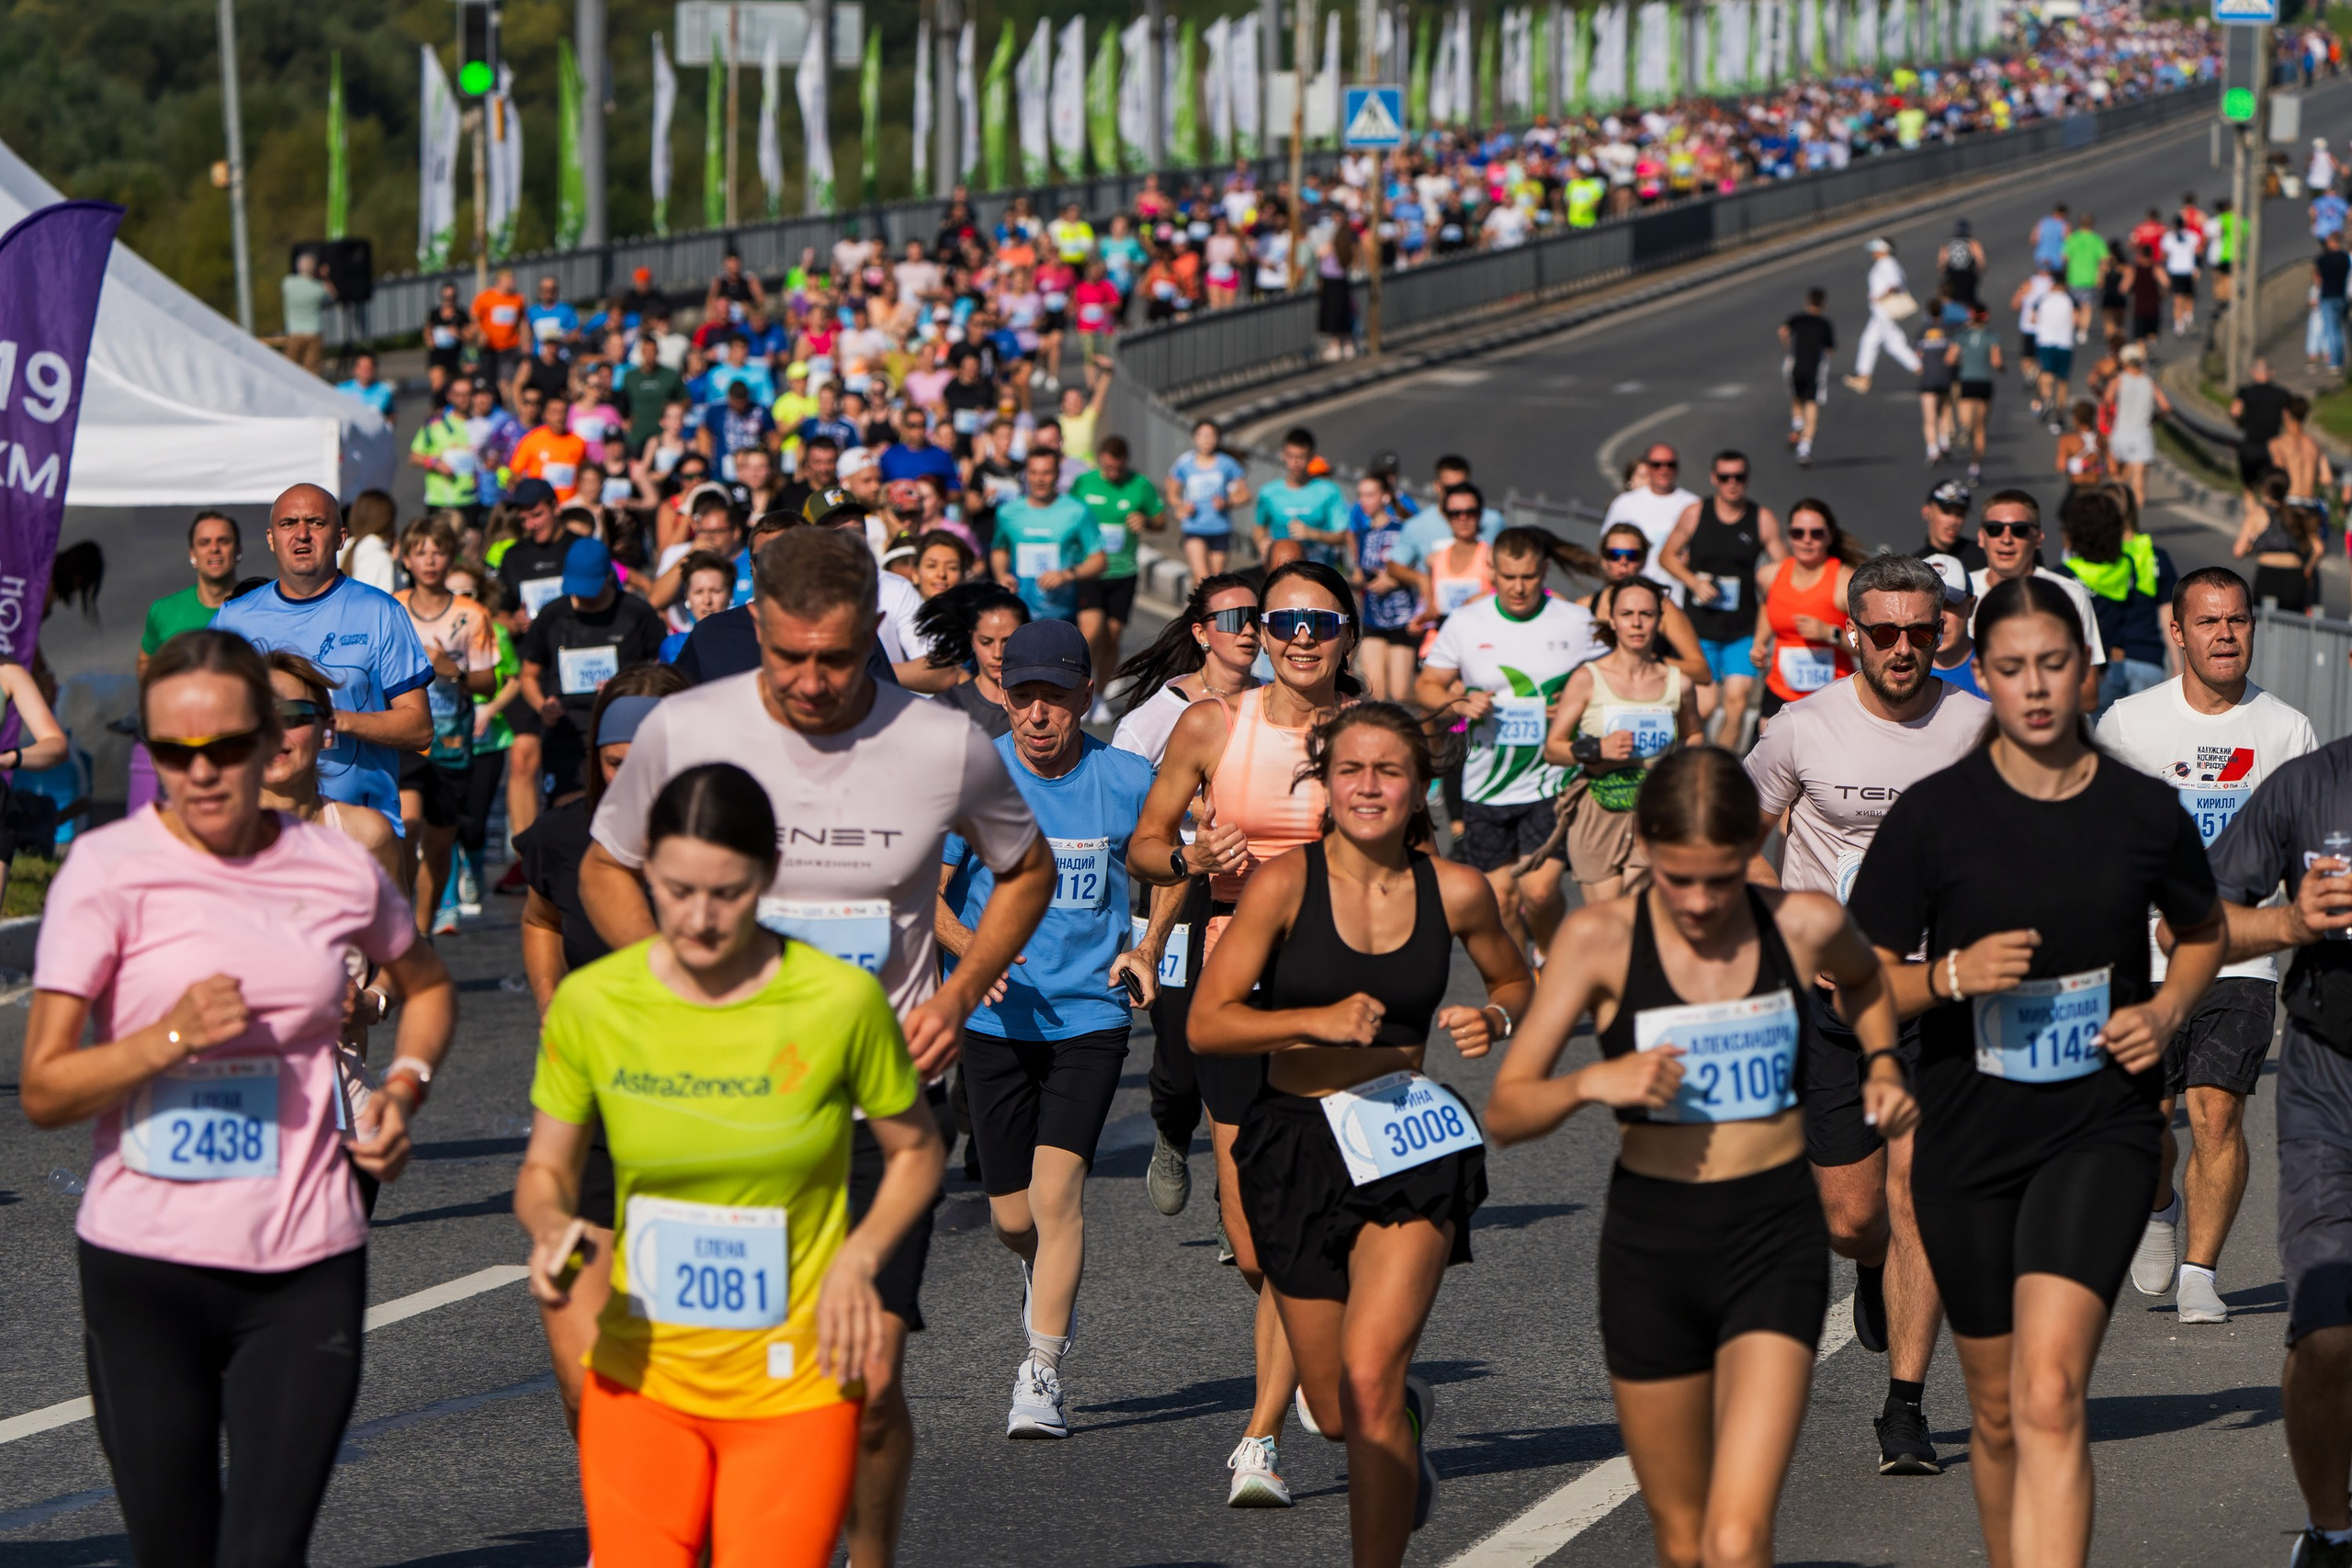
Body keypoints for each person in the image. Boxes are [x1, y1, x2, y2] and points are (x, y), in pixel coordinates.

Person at [582, 526, 1052, 1568]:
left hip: (875, 1103)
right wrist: (667, 989)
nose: (810, 681)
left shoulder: (939, 743)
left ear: (871, 632)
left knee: (869, 1381)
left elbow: (1027, 870)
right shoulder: (688, 728)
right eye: (788, 656)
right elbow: (606, 868)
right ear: (756, 625)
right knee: (712, 1363)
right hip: (716, 1096)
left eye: (837, 658)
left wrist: (959, 991)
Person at [17, 628, 456, 1568]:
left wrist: (403, 1089)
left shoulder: (336, 864)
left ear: (268, 741)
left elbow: (426, 985)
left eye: (225, 745)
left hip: (304, 1259)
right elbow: (46, 1088)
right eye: (175, 752)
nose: (203, 771)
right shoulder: (107, 870)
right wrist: (167, 1039)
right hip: (145, 1267)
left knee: (264, 1553)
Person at [1845, 574, 2225, 1568]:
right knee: (1999, 1409)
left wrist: (2166, 1009)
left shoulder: (2141, 809)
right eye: (2011, 668)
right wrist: (1949, 977)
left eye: (2053, 664)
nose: (2036, 686)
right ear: (1982, 673)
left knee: (2050, 1392)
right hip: (1968, 1130)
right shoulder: (1935, 815)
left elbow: (2202, 932)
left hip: (2097, 1125)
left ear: (2084, 674)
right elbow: (1864, 980)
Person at [1487, 747, 1912, 1568]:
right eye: (1679, 878)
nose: (1701, 901)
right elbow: (1508, 1110)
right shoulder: (1598, 938)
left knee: (1737, 1536)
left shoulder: (1801, 923)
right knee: (1683, 1540)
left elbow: (1864, 981)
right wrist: (1595, 1080)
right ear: (1646, 845)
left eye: (1721, 878)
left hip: (1772, 1237)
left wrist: (1885, 1063)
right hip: (1654, 1243)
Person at [518, 762, 942, 1568]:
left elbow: (917, 1149)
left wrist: (859, 1257)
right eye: (678, 891)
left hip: (794, 1386)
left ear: (769, 875)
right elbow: (544, 1170)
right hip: (641, 1378)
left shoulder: (838, 1000)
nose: (701, 918)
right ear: (646, 871)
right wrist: (548, 1225)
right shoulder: (595, 1003)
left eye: (728, 892)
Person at [1190, 705, 1533, 1562]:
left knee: (1370, 1377)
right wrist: (1313, 1020)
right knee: (1340, 1409)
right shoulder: (1284, 885)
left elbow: (1515, 979)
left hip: (1404, 1137)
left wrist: (1494, 1016)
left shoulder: (1455, 889)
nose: (1369, 786)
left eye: (1389, 771)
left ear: (1419, 788)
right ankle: (1403, 1418)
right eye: (1351, 769)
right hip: (1295, 1139)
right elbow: (1209, 1021)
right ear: (1325, 782)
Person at [1744, 553, 1989, 1476]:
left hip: (1936, 994)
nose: (1902, 647)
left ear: (1941, 631)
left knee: (1918, 1192)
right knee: (1852, 1217)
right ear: (1852, 635)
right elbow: (1738, 841)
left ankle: (1905, 1406)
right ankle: (1869, 1266)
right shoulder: (1801, 727)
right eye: (1883, 632)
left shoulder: (1975, 727)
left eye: (1920, 631)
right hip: (1834, 999)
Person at [1128, 560, 1362, 1508]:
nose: (1302, 637)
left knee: (1297, 1222)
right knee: (1256, 1245)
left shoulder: (1370, 733)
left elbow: (1421, 857)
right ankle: (1310, 1347)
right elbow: (1145, 846)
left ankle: (1258, 1439)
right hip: (1232, 985)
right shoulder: (1212, 725)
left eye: (1321, 622)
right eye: (1284, 621)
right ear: (1261, 633)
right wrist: (1191, 854)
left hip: (1336, 993)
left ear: (1347, 635)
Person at [935, 619, 1158, 1438]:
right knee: (1012, 1218)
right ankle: (1042, 1278)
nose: (1037, 713)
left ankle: (1041, 1369)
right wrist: (972, 949)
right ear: (1003, 695)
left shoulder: (1126, 778)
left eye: (1054, 698)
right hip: (996, 1017)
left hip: (1090, 1015)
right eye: (1023, 694)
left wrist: (1148, 944)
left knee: (1058, 1195)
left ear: (1085, 697)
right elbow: (925, 892)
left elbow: (1171, 865)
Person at [2095, 567, 2315, 1327]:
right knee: (2146, 1119)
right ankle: (2157, 1201)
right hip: (2144, 956)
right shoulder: (2129, 724)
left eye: (2238, 620)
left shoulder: (2285, 729)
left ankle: (2200, 1271)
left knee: (2218, 1113)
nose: (2226, 633)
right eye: (2209, 621)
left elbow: (2309, 845)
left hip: (2238, 950)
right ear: (2178, 633)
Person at [514, 665, 689, 1433]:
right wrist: (551, 998)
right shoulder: (563, 835)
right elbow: (540, 916)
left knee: (680, 1360)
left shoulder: (730, 844)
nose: (633, 780)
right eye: (617, 763)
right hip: (595, 1106)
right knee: (585, 1371)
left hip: (706, 1115)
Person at [1109, 574, 1262, 1215]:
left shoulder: (1276, 701)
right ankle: (1172, 1129)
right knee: (1177, 1048)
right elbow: (1121, 810)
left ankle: (1239, 1204)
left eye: (1255, 617)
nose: (1247, 630)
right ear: (1201, 633)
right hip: (1176, 889)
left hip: (1254, 886)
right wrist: (1187, 811)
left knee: (1252, 1042)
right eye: (1231, 620)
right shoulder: (1160, 713)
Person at [1415, 527, 1601, 959]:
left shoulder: (1576, 622)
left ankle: (1549, 958)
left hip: (1552, 780)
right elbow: (1426, 685)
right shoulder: (1466, 622)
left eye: (1529, 577)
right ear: (1492, 571)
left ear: (1545, 571)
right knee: (1499, 901)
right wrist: (1460, 702)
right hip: (1487, 783)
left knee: (1539, 892)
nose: (1518, 588)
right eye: (1509, 577)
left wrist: (1575, 702)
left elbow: (1610, 680)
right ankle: (1523, 983)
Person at [211, 485, 434, 831]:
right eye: (288, 524)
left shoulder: (380, 612)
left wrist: (331, 720)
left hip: (360, 830)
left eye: (316, 523)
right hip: (262, 827)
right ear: (271, 539)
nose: (302, 534)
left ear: (341, 537)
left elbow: (419, 728)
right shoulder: (233, 618)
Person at [1545, 577, 1699, 904]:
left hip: (1654, 811)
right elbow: (1553, 749)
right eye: (1627, 614)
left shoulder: (1679, 684)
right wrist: (1596, 748)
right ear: (1612, 620)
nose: (1637, 623)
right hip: (1599, 808)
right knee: (1606, 919)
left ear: (1659, 619)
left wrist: (1684, 773)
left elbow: (1694, 734)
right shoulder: (1587, 678)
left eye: (1647, 614)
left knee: (1638, 913)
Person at [396, 516, 501, 934]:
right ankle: (400, 923)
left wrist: (450, 671)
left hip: (451, 741)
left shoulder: (471, 615)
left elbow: (488, 683)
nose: (429, 561)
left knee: (439, 847)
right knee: (407, 827)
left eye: (438, 552)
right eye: (420, 552)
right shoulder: (391, 609)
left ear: (451, 557)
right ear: (406, 559)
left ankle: (423, 931)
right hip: (405, 736)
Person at [519, 536, 666, 807]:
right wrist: (543, 706)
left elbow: (662, 671)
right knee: (570, 811)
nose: (583, 597)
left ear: (609, 577)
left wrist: (625, 686)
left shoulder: (637, 613)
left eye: (590, 589)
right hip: (568, 730)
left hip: (626, 728)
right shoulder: (553, 615)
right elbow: (528, 675)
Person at [1664, 450, 1785, 749]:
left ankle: (1721, 766)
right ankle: (1686, 763)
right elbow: (1666, 556)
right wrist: (1693, 582)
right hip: (1699, 630)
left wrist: (1768, 589)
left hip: (1741, 631)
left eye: (1739, 477)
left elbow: (1784, 569)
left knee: (1737, 702)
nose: (1732, 483)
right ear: (1714, 478)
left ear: (1747, 479)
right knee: (1703, 707)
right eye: (1725, 477)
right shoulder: (1695, 513)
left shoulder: (1761, 519)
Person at [1969, 489, 2107, 712]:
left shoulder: (2069, 594)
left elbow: (2089, 695)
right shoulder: (1958, 595)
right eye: (1995, 529)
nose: (2006, 539)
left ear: (2038, 538)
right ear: (1981, 537)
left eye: (2019, 530)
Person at [1069, 434, 1162, 695]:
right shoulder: (1084, 483)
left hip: (1123, 571)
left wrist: (1145, 521)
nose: (1112, 473)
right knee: (1091, 632)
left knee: (1112, 636)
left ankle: (1099, 695)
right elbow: (1068, 514)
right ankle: (1079, 688)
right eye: (1108, 467)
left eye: (1117, 468)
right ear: (1100, 459)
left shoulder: (1140, 485)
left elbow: (1160, 521)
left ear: (1125, 462)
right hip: (1090, 570)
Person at [1751, 499, 1857, 725]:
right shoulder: (1769, 576)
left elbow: (1869, 645)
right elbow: (1767, 607)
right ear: (1789, 536)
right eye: (1798, 533)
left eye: (1816, 533)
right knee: (1770, 746)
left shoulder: (1846, 581)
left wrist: (1831, 634)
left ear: (1830, 536)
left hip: (1832, 695)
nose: (1806, 540)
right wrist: (1759, 643)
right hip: (1780, 691)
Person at [991, 447, 1103, 626]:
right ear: (1026, 475)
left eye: (1046, 473)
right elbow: (1000, 549)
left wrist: (1066, 575)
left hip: (1063, 615)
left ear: (1058, 474)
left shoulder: (1078, 511)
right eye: (1034, 473)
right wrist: (1001, 574)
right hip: (1019, 614)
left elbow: (1099, 561)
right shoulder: (1007, 513)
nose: (1040, 479)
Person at [918, 581, 1030, 739]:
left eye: (1008, 641)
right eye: (986, 642)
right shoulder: (946, 707)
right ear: (972, 639)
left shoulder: (1043, 707)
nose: (997, 653)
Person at [140, 512, 243, 679]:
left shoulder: (260, 606)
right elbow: (145, 664)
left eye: (223, 541)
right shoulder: (163, 611)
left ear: (238, 550)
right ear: (192, 554)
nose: (214, 549)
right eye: (204, 542)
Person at [1600, 443, 1701, 604]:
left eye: (1670, 465)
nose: (1664, 470)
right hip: (1634, 600)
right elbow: (1607, 551)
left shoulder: (1693, 505)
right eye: (1657, 465)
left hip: (1678, 598)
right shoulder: (1625, 503)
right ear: (1647, 467)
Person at [1255, 427, 1352, 571]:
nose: (1295, 462)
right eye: (1291, 456)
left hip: (1318, 569)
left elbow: (1342, 537)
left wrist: (1312, 534)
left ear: (1312, 456)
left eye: (1301, 457)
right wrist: (1262, 543)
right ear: (1283, 455)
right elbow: (1259, 527)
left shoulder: (1329, 491)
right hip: (1281, 569)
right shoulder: (1268, 492)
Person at [1167, 418, 1251, 583]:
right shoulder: (1184, 463)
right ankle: (1196, 596)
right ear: (1194, 438)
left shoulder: (1227, 464)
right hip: (1194, 526)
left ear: (1218, 438)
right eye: (1202, 435)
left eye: (1211, 436)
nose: (1207, 440)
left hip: (1220, 527)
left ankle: (1195, 598)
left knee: (1215, 580)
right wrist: (1181, 505)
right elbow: (1171, 492)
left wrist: (1226, 503)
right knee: (1202, 577)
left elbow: (1245, 495)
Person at [2237, 469, 2325, 616]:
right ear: (2287, 488)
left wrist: (2252, 547)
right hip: (2294, 577)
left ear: (2264, 489)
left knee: (2264, 622)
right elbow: (2319, 549)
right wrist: (2308, 569)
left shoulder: (2258, 514)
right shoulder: (2298, 515)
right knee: (2291, 623)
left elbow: (2238, 551)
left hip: (2267, 575)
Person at [1845, 237, 1921, 394]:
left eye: (1876, 249)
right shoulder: (1884, 264)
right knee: (1869, 341)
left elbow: (1895, 284)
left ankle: (1923, 370)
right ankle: (1864, 378)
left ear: (1884, 249)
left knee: (1895, 344)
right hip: (1879, 313)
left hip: (1885, 312)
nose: (1873, 252)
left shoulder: (1887, 263)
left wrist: (1880, 297)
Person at [2101, 344, 2169, 513]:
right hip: (2142, 434)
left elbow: (2107, 400)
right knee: (2138, 480)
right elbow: (2166, 407)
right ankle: (2135, 515)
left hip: (2121, 432)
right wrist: (2154, 419)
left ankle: (2118, 508)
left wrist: (2109, 420)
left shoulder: (2118, 380)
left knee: (2117, 477)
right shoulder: (2149, 382)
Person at [1781, 288, 1837, 468]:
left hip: (1795, 365)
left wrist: (1788, 347)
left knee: (1796, 396)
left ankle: (1797, 424)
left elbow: (1783, 331)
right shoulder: (1824, 324)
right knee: (1812, 407)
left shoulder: (1797, 319)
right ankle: (1804, 451)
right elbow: (1830, 349)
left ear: (1807, 301)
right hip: (1815, 369)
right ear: (1824, 304)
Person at [1950, 302, 2004, 482]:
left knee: (1965, 417)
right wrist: (2001, 368)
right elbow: (1996, 362)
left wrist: (1964, 362)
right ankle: (1975, 467)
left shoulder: (1962, 336)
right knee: (1981, 428)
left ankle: (1965, 429)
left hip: (1967, 380)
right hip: (1984, 382)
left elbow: (1950, 358)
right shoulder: (1991, 336)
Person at [1923, 555, 1987, 698]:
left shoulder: (1998, 667)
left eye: (1950, 604)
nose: (1940, 617)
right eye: (1931, 606)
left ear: (1971, 606)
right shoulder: (1898, 672)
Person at [279, 252, 334, 375]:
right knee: (312, 372)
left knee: (290, 370)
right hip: (314, 332)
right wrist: (325, 277)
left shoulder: (287, 283)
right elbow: (332, 295)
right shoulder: (319, 288)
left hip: (294, 333)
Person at [1917, 479, 1986, 573]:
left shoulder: (1982, 557)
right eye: (1947, 512)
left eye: (1960, 514)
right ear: (1926, 512)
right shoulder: (1915, 566)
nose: (1953, 521)